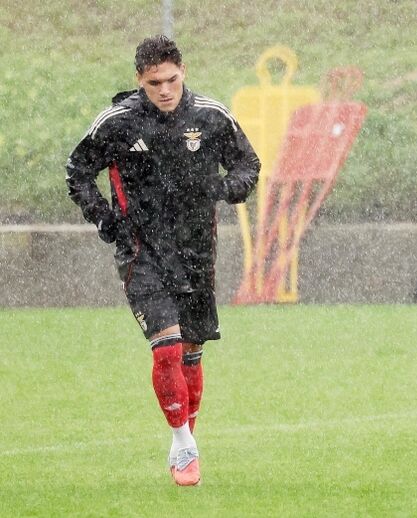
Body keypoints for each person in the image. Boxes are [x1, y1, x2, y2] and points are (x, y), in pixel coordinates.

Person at [65, 36, 260, 486]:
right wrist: (103, 219)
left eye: (172, 79)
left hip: (196, 253)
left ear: (183, 71)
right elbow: (77, 171)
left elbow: (248, 166)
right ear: (140, 81)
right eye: (155, 83)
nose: (165, 90)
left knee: (191, 352)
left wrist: (224, 190)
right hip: (141, 251)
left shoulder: (210, 117)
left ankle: (187, 437)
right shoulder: (118, 122)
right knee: (167, 347)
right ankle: (182, 443)